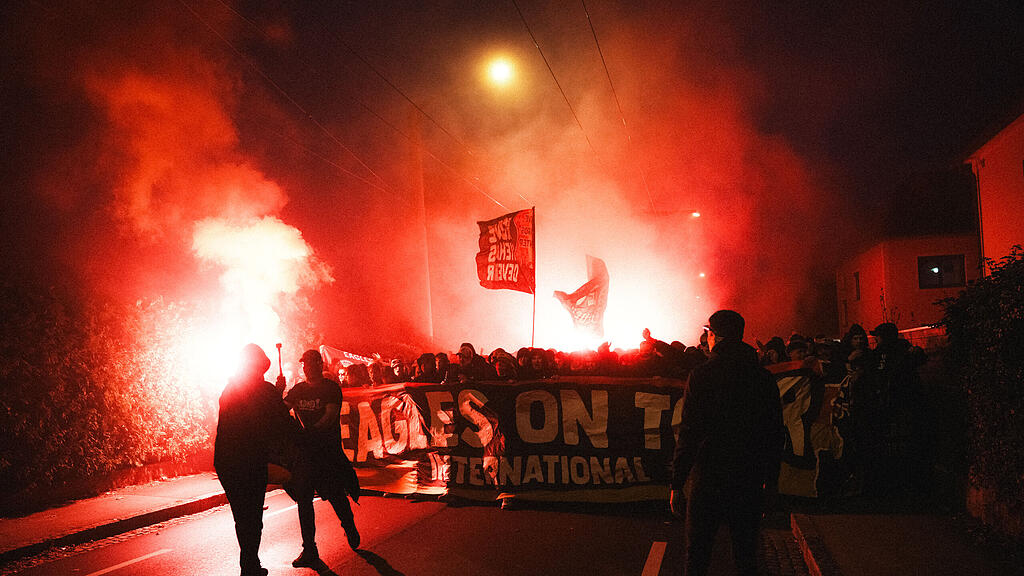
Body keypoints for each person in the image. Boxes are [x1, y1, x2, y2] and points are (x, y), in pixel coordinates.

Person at [670, 310, 785, 576]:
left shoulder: (701, 375)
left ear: (713, 336)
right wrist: (772, 482)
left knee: (698, 556)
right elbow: (774, 434)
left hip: (709, 477)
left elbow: (689, 432)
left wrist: (677, 482)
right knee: (746, 556)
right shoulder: (763, 378)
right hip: (748, 477)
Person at [214, 344, 293, 576]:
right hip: (250, 459)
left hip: (226, 461)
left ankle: (249, 564)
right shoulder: (264, 389)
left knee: (242, 515)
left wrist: (274, 395)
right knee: (253, 517)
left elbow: (254, 410)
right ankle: (249, 566)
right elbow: (278, 421)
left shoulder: (230, 389)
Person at [283, 349, 361, 568]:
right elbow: (282, 411)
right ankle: (309, 548)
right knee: (304, 499)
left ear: (319, 364)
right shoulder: (297, 390)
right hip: (306, 453)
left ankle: (349, 525)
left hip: (327, 453)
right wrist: (277, 395)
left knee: (335, 494)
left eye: (310, 363)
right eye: (304, 364)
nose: (306, 368)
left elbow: (330, 416)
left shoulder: (330, 388)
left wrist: (311, 432)